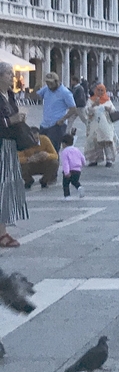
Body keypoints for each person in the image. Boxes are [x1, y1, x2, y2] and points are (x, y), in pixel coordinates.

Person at [0, 61, 29, 247]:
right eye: (8, 74)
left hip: (9, 146)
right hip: (1, 145)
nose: (13, 77)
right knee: (2, 187)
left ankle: (2, 230)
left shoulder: (9, 95)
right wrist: (10, 120)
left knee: (8, 187)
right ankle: (2, 233)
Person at [36, 72, 75, 152]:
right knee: (42, 148)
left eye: (51, 83)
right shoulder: (46, 89)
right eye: (47, 83)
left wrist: (63, 119)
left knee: (53, 149)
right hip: (45, 124)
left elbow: (73, 108)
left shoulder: (65, 92)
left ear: (57, 81)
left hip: (57, 125)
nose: (49, 85)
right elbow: (37, 96)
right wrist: (36, 87)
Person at [85, 84, 119, 166]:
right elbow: (87, 111)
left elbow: (114, 110)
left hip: (106, 125)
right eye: (98, 90)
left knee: (107, 141)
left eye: (102, 90)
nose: (100, 92)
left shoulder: (107, 100)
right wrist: (94, 105)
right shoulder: (91, 100)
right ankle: (94, 159)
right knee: (94, 142)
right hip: (94, 125)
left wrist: (109, 109)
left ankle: (109, 160)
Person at [60, 132, 86, 199]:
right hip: (77, 170)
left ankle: (67, 196)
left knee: (66, 184)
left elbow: (65, 163)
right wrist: (83, 164)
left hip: (69, 170)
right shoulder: (76, 149)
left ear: (64, 144)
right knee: (75, 182)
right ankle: (79, 187)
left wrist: (66, 172)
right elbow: (82, 158)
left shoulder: (65, 152)